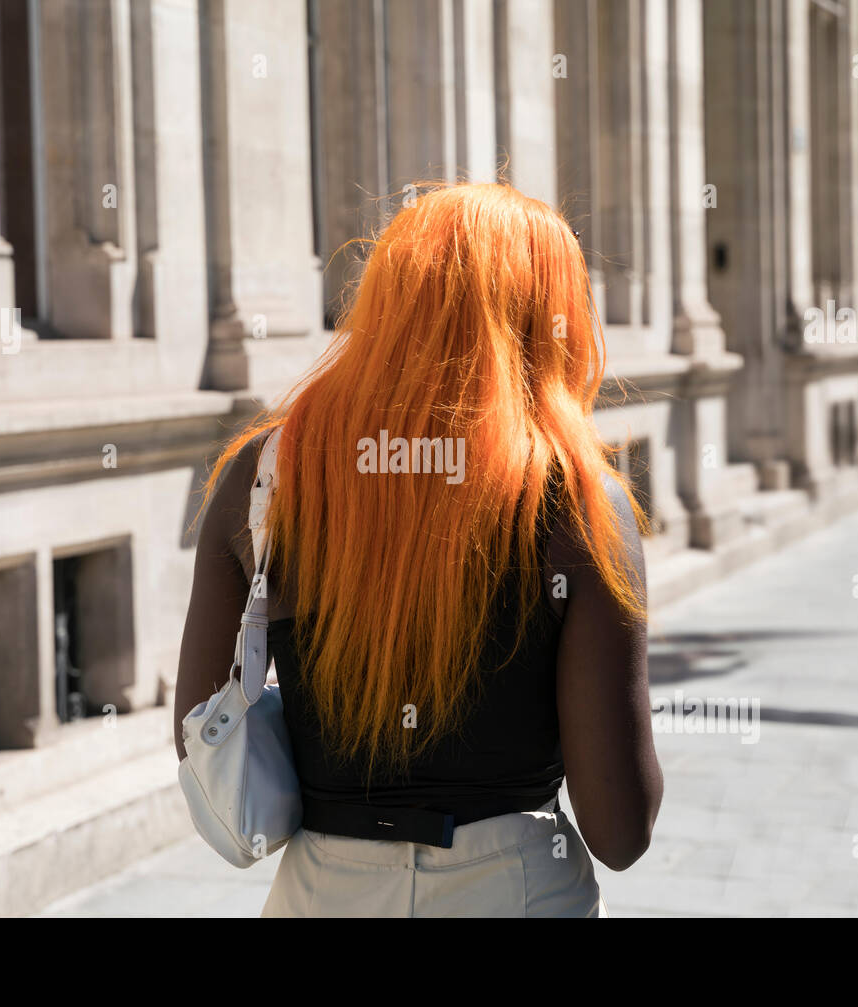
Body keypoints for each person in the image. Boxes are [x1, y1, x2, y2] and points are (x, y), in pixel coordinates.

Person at [174, 182, 663, 917]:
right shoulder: (581, 503)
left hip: (319, 893)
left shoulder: (264, 476)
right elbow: (619, 831)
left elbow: (197, 724)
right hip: (516, 889)